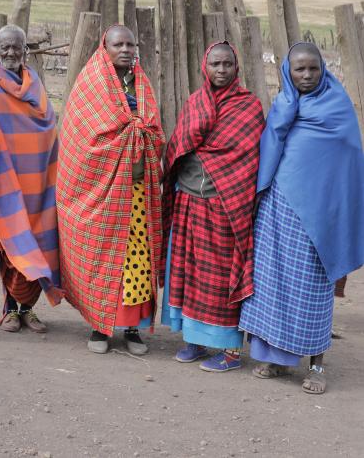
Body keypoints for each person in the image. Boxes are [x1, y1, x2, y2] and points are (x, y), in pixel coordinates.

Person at [239, 43, 364, 394]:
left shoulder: (336, 107)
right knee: (273, 283)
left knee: (311, 288)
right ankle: (276, 359)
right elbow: (269, 151)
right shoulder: (283, 105)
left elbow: (349, 160)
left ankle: (317, 365)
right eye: (299, 70)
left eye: (313, 69)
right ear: (287, 72)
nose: (307, 76)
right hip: (279, 206)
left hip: (319, 216)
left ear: (322, 69)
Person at [57, 25, 164, 355]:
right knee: (100, 258)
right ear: (105, 47)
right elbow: (82, 138)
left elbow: (156, 132)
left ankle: (132, 329)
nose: (126, 49)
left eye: (131, 44)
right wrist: (126, 136)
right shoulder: (90, 84)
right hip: (99, 190)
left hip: (136, 192)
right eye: (119, 44)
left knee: (136, 262)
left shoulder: (142, 85)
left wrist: (139, 134)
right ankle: (99, 327)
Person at [161, 42, 264, 372]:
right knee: (190, 273)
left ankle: (231, 350)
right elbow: (178, 145)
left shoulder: (249, 107)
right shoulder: (194, 102)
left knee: (220, 275)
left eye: (227, 65)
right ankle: (194, 341)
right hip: (189, 201)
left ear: (237, 68)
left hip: (224, 206)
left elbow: (247, 160)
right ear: (205, 67)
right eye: (215, 64)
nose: (221, 70)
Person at [0, 25, 62, 334]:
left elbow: (48, 123)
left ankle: (28, 309)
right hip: (4, 174)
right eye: (5, 47)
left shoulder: (33, 82)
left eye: (16, 47)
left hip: (36, 176)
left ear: (25, 50)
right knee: (11, 242)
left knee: (38, 239)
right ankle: (9, 309)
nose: (11, 52)